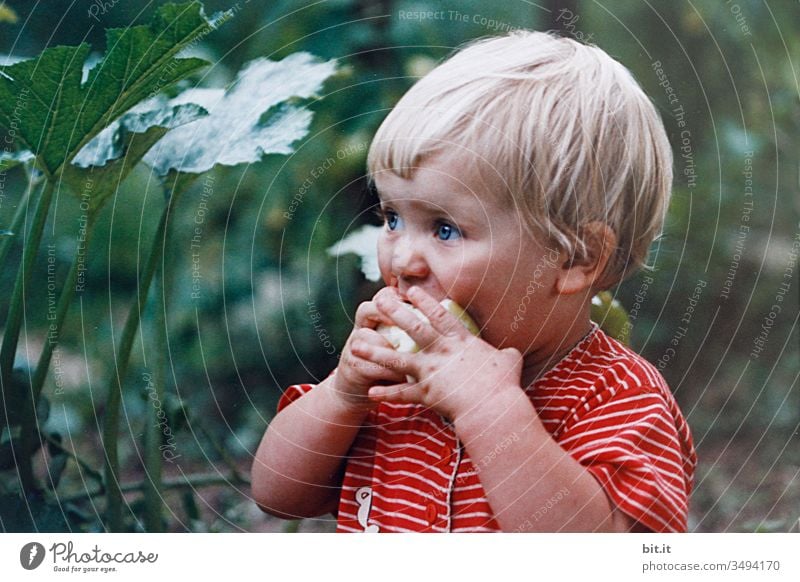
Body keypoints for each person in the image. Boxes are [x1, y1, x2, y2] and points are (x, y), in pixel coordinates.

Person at [251, 30, 696, 533]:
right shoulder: (392, 385)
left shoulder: (616, 398)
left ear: (575, 257)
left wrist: (490, 409)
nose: (402, 259)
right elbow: (278, 495)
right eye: (392, 217)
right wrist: (343, 393)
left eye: (445, 229)